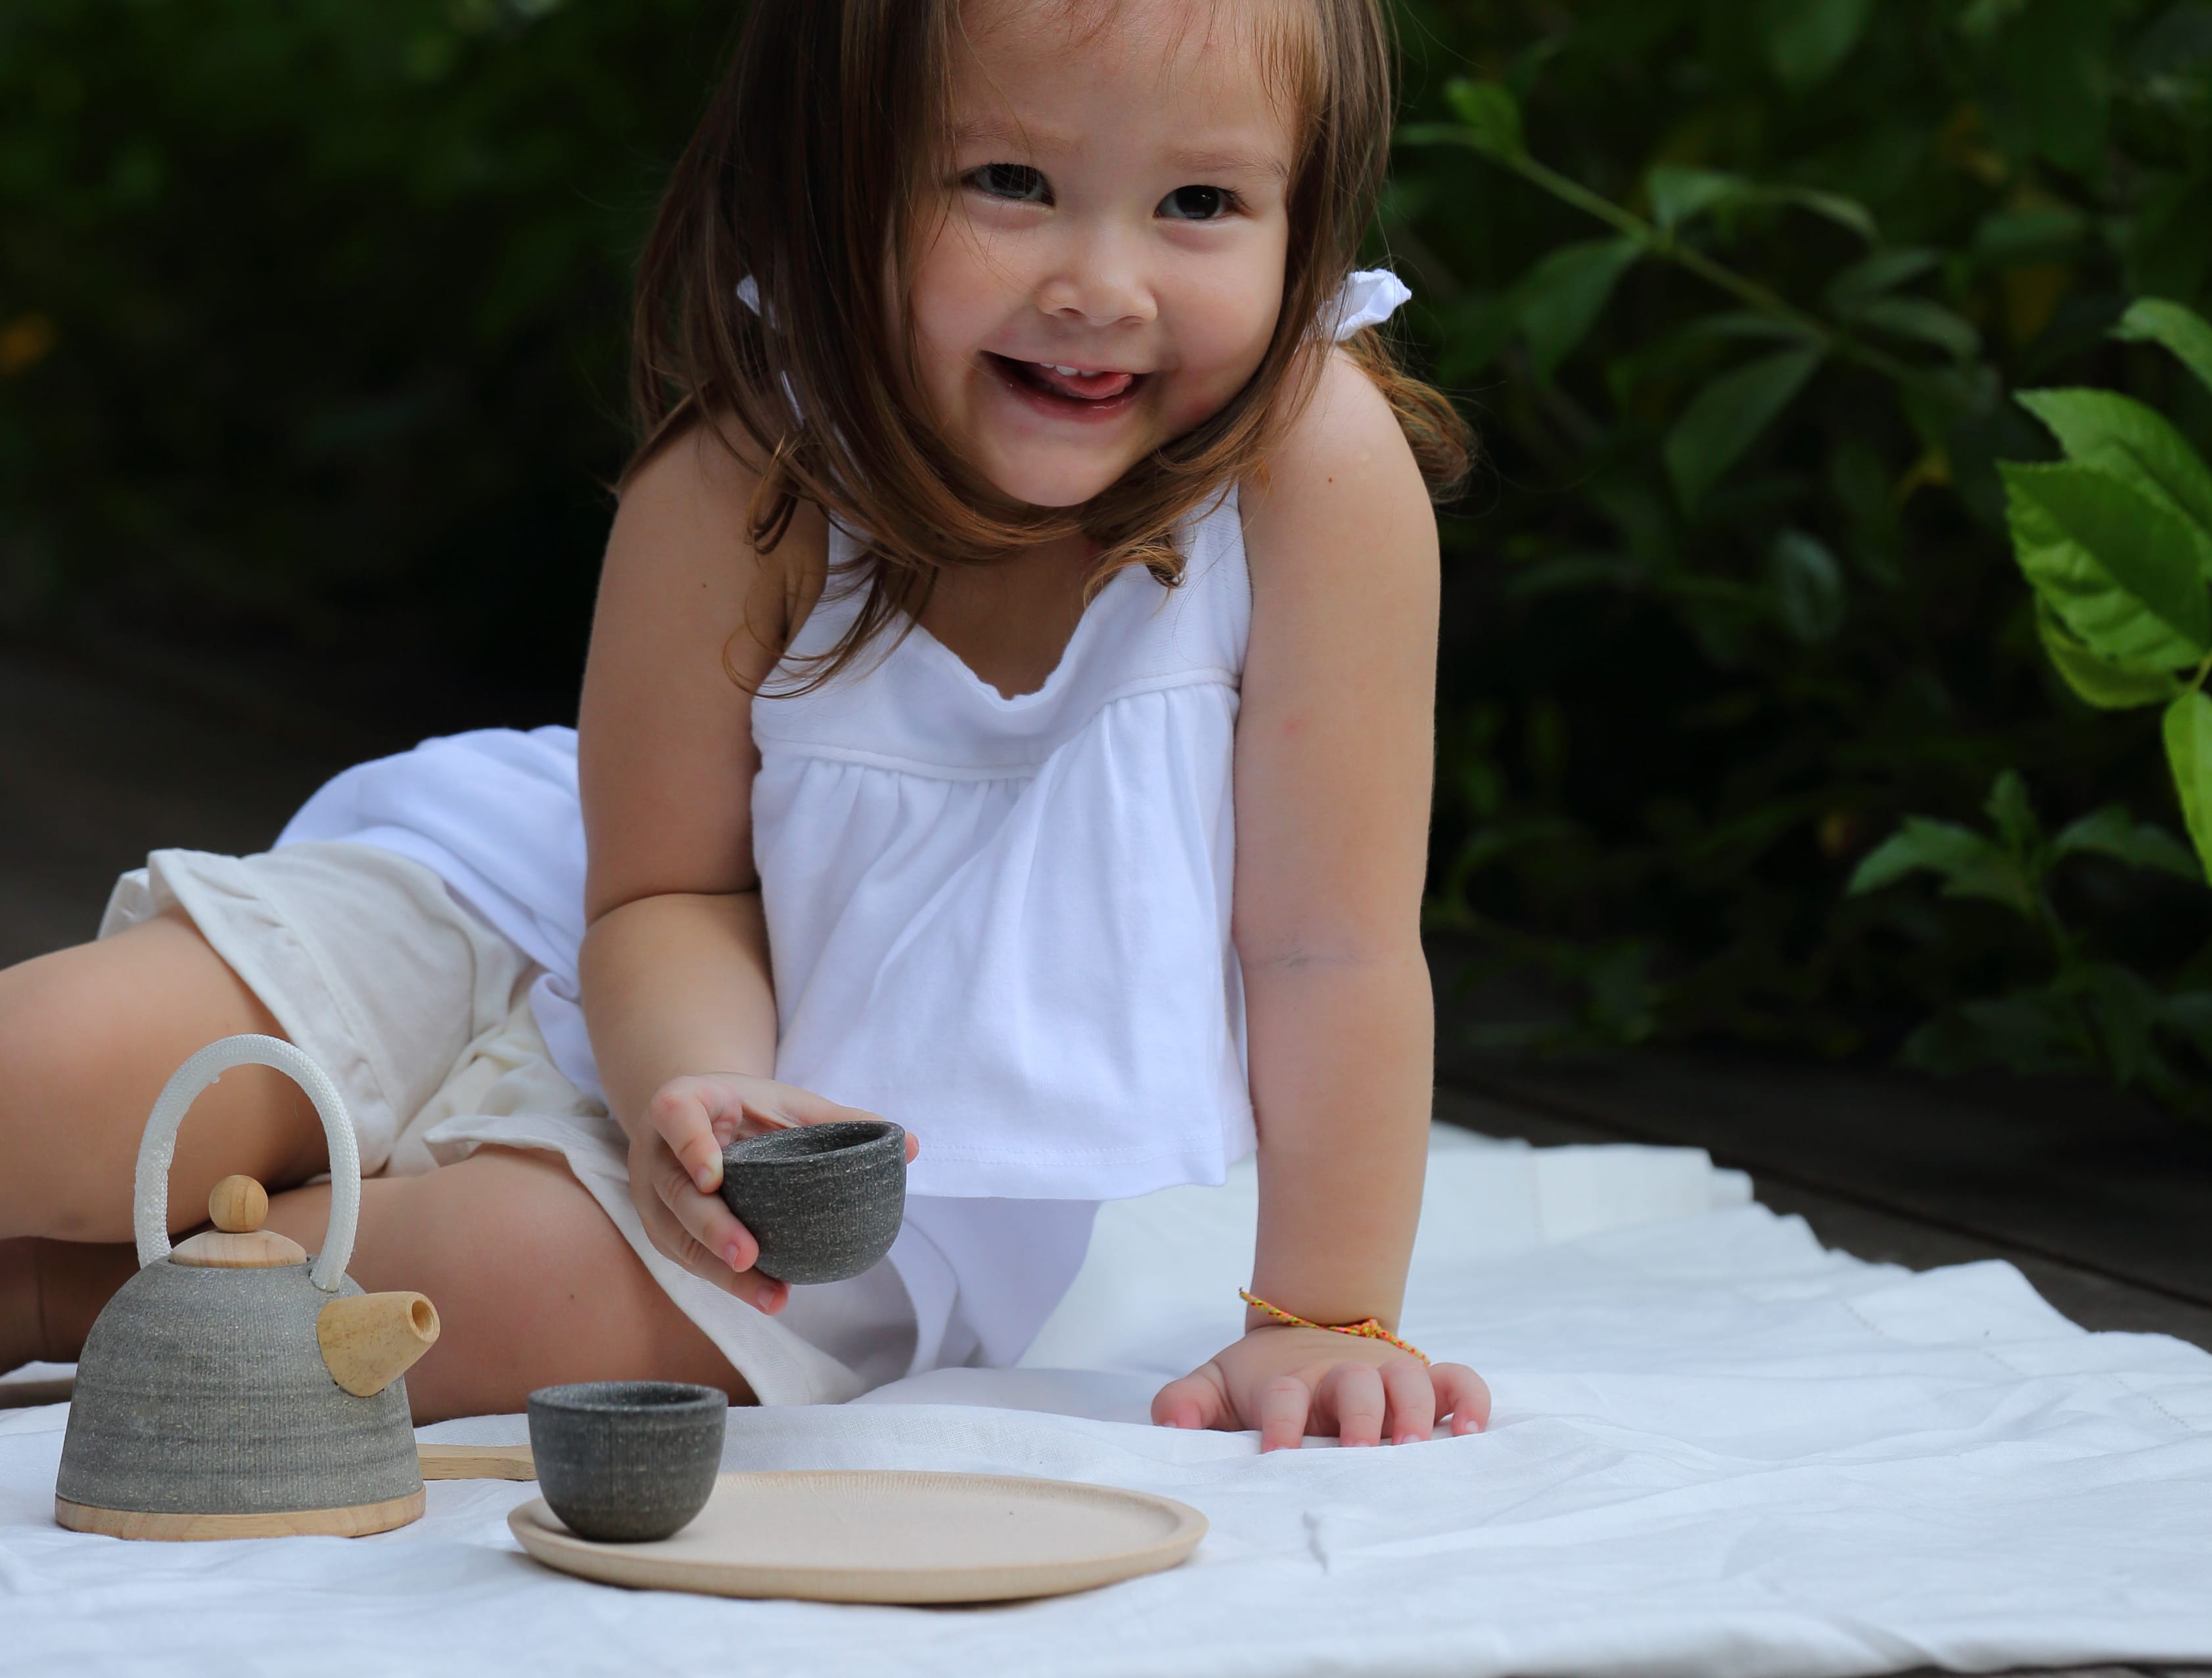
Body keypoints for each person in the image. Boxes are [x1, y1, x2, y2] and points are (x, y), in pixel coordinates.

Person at [0, 0, 1489, 1451]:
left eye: (1200, 203)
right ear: (835, 174)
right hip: (540, 895)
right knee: (52, 1067)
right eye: (1009, 181)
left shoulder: (1308, 474)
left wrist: (1326, 1313)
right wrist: (687, 1069)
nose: (1103, 284)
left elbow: (1330, 947)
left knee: (490, 1293)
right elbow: (665, 888)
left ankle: (55, 1293)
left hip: (870, 1130)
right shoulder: (750, 473)